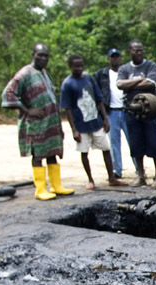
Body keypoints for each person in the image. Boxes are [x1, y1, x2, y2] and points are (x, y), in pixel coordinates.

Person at [1, 43, 69, 200]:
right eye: (40, 55)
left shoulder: (44, 73)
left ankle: (56, 185)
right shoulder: (25, 73)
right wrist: (27, 110)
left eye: (46, 56)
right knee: (38, 154)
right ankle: (40, 189)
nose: (43, 58)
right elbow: (9, 93)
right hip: (36, 123)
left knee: (52, 153)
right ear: (33, 55)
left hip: (50, 122)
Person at [60, 54, 127, 190]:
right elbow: (68, 109)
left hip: (96, 122)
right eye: (76, 66)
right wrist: (74, 129)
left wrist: (105, 119)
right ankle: (90, 179)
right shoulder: (67, 84)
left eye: (81, 65)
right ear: (70, 67)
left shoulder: (89, 78)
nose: (79, 68)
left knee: (106, 148)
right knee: (84, 152)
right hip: (81, 124)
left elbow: (99, 99)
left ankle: (112, 177)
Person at [117, 40, 156, 187]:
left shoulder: (150, 65)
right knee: (135, 143)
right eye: (135, 50)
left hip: (150, 109)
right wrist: (139, 80)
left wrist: (129, 84)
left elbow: (151, 83)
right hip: (132, 110)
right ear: (129, 51)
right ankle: (141, 175)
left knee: (154, 142)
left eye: (141, 50)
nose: (139, 53)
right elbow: (119, 84)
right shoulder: (124, 68)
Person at [93, 49, 129, 180]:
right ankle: (117, 170)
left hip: (127, 110)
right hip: (111, 111)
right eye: (112, 57)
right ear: (108, 59)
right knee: (114, 144)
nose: (115, 59)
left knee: (133, 141)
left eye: (117, 57)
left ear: (121, 58)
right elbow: (96, 94)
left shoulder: (126, 72)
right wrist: (101, 115)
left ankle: (139, 170)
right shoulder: (101, 74)